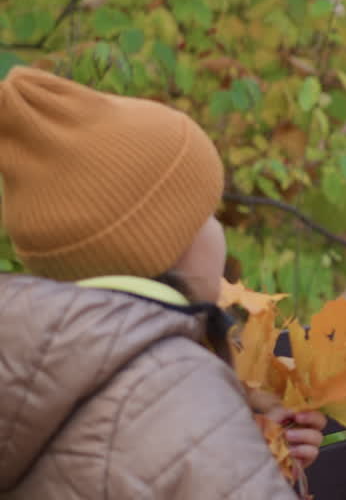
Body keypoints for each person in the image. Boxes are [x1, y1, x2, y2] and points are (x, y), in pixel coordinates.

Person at [0, 67, 326, 499]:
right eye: (208, 213)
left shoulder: (33, 366)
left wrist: (258, 459)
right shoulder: (176, 386)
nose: (218, 229)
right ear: (166, 242)